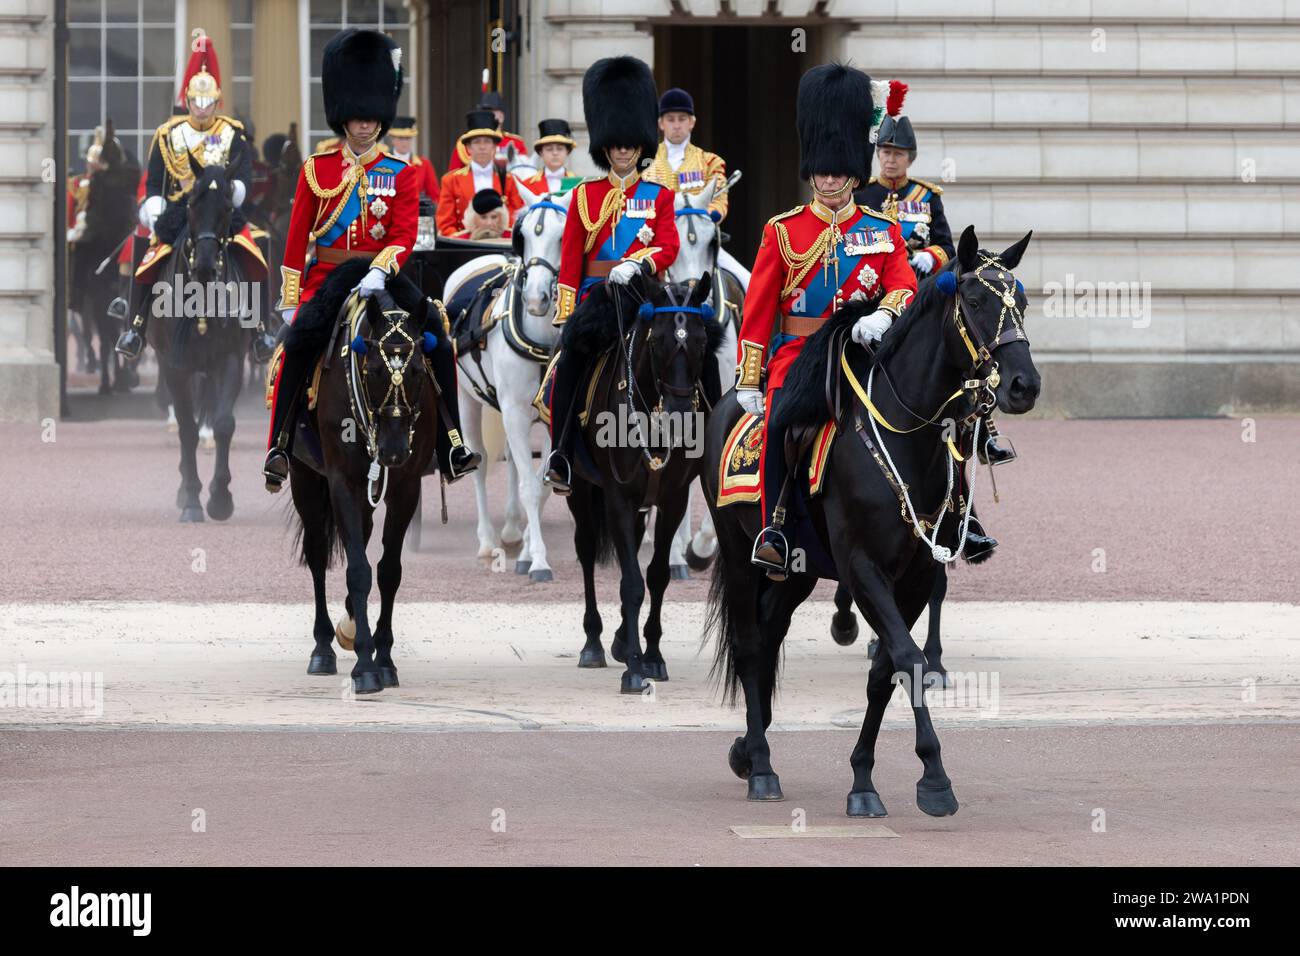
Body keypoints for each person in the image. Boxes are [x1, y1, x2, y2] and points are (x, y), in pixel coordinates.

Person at [262, 28, 480, 491]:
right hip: (327, 276)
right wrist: (289, 296)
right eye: (357, 119)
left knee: (437, 334)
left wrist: (382, 267)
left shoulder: (399, 173)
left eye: (371, 119)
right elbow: (296, 236)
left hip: (382, 275)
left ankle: (452, 442)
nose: (364, 126)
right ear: (344, 119)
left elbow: (402, 235)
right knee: (297, 346)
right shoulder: (316, 170)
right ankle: (279, 444)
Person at [734, 63, 925, 578]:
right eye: (821, 169)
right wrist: (750, 376)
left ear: (851, 170)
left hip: (864, 354)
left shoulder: (882, 230)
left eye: (837, 169)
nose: (829, 177)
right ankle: (774, 526)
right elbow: (758, 310)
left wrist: (883, 315)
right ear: (812, 169)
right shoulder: (783, 231)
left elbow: (905, 284)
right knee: (777, 422)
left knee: (926, 410)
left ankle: (944, 515)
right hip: (799, 356)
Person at [540, 56, 680, 495]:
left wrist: (640, 262)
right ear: (605, 147)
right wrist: (568, 313)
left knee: (686, 353)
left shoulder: (658, 195)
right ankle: (561, 453)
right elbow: (569, 263)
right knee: (569, 366)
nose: (623, 150)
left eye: (630, 144)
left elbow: (670, 245)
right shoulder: (585, 195)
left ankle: (694, 447)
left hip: (644, 296)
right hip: (595, 299)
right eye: (616, 144)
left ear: (641, 145)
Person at [856, 113, 1014, 466]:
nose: (890, 159)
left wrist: (930, 255)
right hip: (876, 294)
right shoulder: (863, 193)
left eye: (898, 153)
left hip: (919, 295)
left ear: (910, 157)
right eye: (884, 151)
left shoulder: (927, 197)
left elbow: (948, 245)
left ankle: (981, 431)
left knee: (960, 350)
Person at [113, 36, 273, 364]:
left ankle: (259, 330)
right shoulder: (167, 134)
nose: (202, 108)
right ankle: (137, 327)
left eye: (208, 102)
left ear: (217, 102)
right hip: (178, 211)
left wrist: (234, 193)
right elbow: (155, 181)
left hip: (221, 212)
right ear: (187, 101)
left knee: (257, 247)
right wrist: (152, 205)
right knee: (149, 254)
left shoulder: (233, 132)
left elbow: (242, 176)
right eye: (196, 102)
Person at [642, 87, 728, 222]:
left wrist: (705, 216)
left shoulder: (710, 162)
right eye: (670, 119)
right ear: (661, 123)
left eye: (682, 119)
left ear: (692, 122)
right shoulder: (644, 160)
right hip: (654, 235)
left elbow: (719, 201)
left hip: (696, 235)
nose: (676, 125)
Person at [435, 109, 523, 236]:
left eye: (487, 142)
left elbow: (516, 218)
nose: (482, 147)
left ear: (494, 147)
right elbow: (445, 223)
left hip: (501, 246)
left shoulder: (511, 180)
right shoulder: (451, 180)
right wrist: (465, 240)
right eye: (477, 142)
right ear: (469, 148)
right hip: (464, 248)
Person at [445, 91, 528, 172]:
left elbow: (523, 173)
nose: (487, 115)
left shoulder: (516, 143)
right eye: (484, 111)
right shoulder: (465, 143)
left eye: (492, 111)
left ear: (501, 116)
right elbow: (454, 176)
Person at [385, 115, 440, 201]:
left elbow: (434, 196)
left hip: (415, 211)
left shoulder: (424, 164)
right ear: (392, 139)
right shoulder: (383, 162)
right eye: (400, 138)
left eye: (408, 138)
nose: (404, 142)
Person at [519, 118, 576, 194]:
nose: (555, 153)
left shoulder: (578, 184)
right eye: (549, 149)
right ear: (541, 152)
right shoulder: (526, 185)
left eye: (559, 149)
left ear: (567, 152)